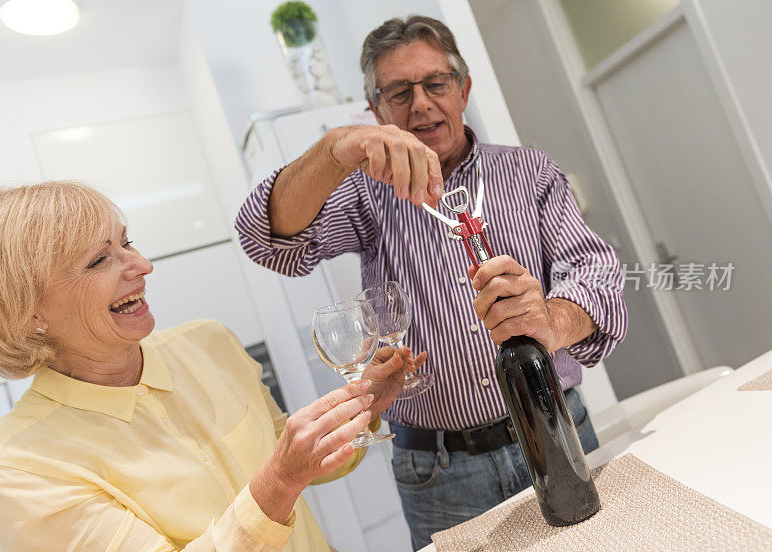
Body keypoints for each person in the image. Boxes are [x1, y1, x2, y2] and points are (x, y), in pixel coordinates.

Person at [236, 15, 628, 549]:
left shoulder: (530, 172)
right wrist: (336, 148)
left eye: (435, 84)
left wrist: (552, 320)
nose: (420, 104)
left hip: (558, 426)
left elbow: (595, 272)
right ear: (375, 110)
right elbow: (265, 239)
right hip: (439, 470)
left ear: (463, 89)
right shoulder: (365, 193)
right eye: (398, 92)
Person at [0, 181, 421, 552]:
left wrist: (363, 405)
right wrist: (280, 479)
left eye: (126, 243)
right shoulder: (16, 467)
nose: (143, 266)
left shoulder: (209, 343)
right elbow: (284, 474)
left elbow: (312, 463)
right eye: (98, 260)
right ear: (27, 312)